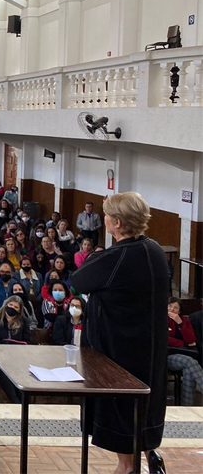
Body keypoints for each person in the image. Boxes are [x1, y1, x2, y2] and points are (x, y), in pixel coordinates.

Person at [71, 192, 170, 474]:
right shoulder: (155, 250)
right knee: (143, 414)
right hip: (148, 351)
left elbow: (79, 280)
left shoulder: (116, 256)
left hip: (119, 357)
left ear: (117, 223)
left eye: (107, 215)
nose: (103, 219)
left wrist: (94, 256)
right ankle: (151, 454)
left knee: (124, 438)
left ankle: (129, 467)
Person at [0, 295, 31, 403]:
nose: (12, 308)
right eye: (10, 305)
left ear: (19, 310)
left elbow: (27, 341)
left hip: (17, 356)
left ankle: (24, 402)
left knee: (20, 370)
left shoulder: (24, 321)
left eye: (16, 307)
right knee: (3, 369)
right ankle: (16, 402)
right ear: (5, 304)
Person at [165, 297, 202, 406]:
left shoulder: (184, 321)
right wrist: (183, 344)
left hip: (183, 355)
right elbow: (165, 339)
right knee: (189, 362)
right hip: (167, 355)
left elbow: (191, 339)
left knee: (189, 370)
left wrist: (180, 323)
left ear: (179, 311)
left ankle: (187, 407)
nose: (172, 310)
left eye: (175, 308)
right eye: (170, 306)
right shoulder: (161, 319)